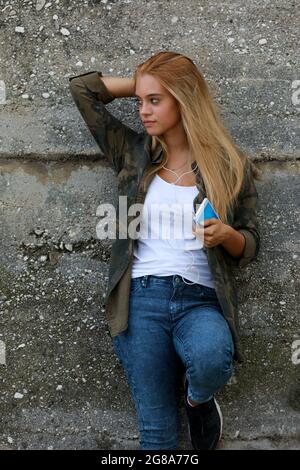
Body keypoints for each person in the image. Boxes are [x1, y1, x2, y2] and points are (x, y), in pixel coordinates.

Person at [69, 51, 261, 450]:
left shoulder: (229, 165)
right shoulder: (133, 152)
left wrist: (226, 235)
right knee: (157, 437)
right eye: (140, 100)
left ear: (184, 99)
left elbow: (250, 242)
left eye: (155, 100)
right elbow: (83, 90)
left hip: (201, 300)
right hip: (140, 300)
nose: (143, 110)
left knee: (211, 359)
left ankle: (198, 400)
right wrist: (142, 80)